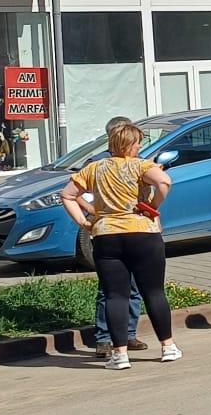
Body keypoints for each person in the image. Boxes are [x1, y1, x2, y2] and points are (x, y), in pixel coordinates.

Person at [63, 119, 181, 369]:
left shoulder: (94, 168)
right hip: (143, 233)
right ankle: (168, 347)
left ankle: (119, 355)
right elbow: (165, 182)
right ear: (129, 145)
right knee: (154, 292)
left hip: (107, 236)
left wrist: (84, 222)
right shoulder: (141, 166)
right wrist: (152, 207)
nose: (139, 147)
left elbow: (67, 195)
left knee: (115, 295)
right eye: (137, 143)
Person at [88, 116, 146, 357]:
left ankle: (128, 334)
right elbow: (76, 193)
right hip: (109, 233)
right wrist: (91, 216)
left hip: (135, 231)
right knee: (109, 289)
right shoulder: (98, 163)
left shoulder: (137, 161)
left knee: (134, 286)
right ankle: (104, 338)